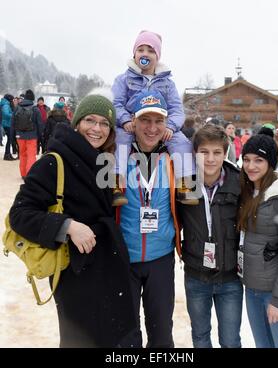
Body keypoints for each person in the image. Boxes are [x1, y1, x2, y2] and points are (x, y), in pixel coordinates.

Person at [8, 94, 136, 348]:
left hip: (109, 269)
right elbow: (19, 215)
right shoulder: (53, 162)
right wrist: (67, 226)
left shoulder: (102, 161)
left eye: (104, 123)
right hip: (76, 275)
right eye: (90, 120)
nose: (97, 129)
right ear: (77, 122)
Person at [117, 90, 181, 348]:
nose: (152, 128)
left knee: (162, 334)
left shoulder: (177, 160)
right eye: (145, 120)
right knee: (125, 333)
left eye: (158, 121)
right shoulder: (116, 158)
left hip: (161, 259)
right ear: (134, 121)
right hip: (124, 258)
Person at [112, 30, 196, 206]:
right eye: (140, 49)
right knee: (119, 139)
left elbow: (176, 109)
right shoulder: (124, 79)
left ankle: (185, 183)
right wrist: (125, 120)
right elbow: (116, 103)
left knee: (181, 141)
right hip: (132, 125)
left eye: (151, 50)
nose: (145, 54)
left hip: (159, 126)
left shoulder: (167, 83)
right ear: (134, 53)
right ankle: (116, 183)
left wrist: (171, 127)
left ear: (157, 56)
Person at [178, 124, 243, 348]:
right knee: (200, 336)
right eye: (204, 152)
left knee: (231, 340)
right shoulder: (184, 182)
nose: (210, 159)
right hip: (197, 276)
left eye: (217, 153)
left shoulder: (239, 182)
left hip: (230, 278)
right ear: (195, 152)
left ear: (225, 154)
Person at [238, 134, 278, 348]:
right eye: (246, 159)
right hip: (252, 289)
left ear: (270, 162)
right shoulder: (248, 189)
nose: (250, 166)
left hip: (276, 294)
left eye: (258, 160)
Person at [12, 89, 42, 178]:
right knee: (31, 156)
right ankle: (30, 175)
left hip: (19, 136)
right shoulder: (35, 109)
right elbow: (40, 124)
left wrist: (13, 135)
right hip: (32, 136)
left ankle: (23, 174)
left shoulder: (17, 108)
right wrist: (40, 137)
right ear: (32, 99)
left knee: (22, 155)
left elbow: (13, 123)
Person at [0, 94, 15, 160]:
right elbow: (6, 114)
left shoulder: (5, 104)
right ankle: (7, 154)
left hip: (7, 123)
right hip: (7, 124)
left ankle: (8, 153)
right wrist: (13, 115)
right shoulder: (6, 105)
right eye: (12, 100)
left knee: (10, 139)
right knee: (9, 139)